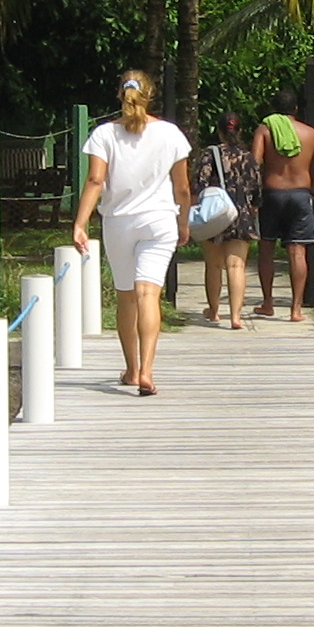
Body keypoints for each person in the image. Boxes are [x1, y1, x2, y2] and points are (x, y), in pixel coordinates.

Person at [68, 70, 191, 394]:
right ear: (150, 95)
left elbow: (96, 180)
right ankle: (148, 370)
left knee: (126, 296)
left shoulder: (104, 134)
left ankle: (132, 371)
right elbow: (182, 188)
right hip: (159, 220)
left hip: (119, 222)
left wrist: (80, 223)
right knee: (148, 294)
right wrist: (183, 223)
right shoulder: (171, 134)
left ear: (120, 94)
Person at [253, 106, 314, 321]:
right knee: (297, 252)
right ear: (295, 108)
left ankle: (268, 303)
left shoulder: (265, 130)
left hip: (272, 194)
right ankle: (296, 309)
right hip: (300, 194)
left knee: (266, 249)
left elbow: (254, 163)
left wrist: (254, 195)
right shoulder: (310, 133)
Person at [189, 112, 261, 328]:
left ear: (219, 131)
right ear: (240, 131)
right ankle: (236, 316)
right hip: (241, 214)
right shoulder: (249, 157)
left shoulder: (210, 154)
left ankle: (213, 311)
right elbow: (257, 189)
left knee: (213, 265)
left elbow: (199, 184)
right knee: (236, 266)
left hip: (215, 213)